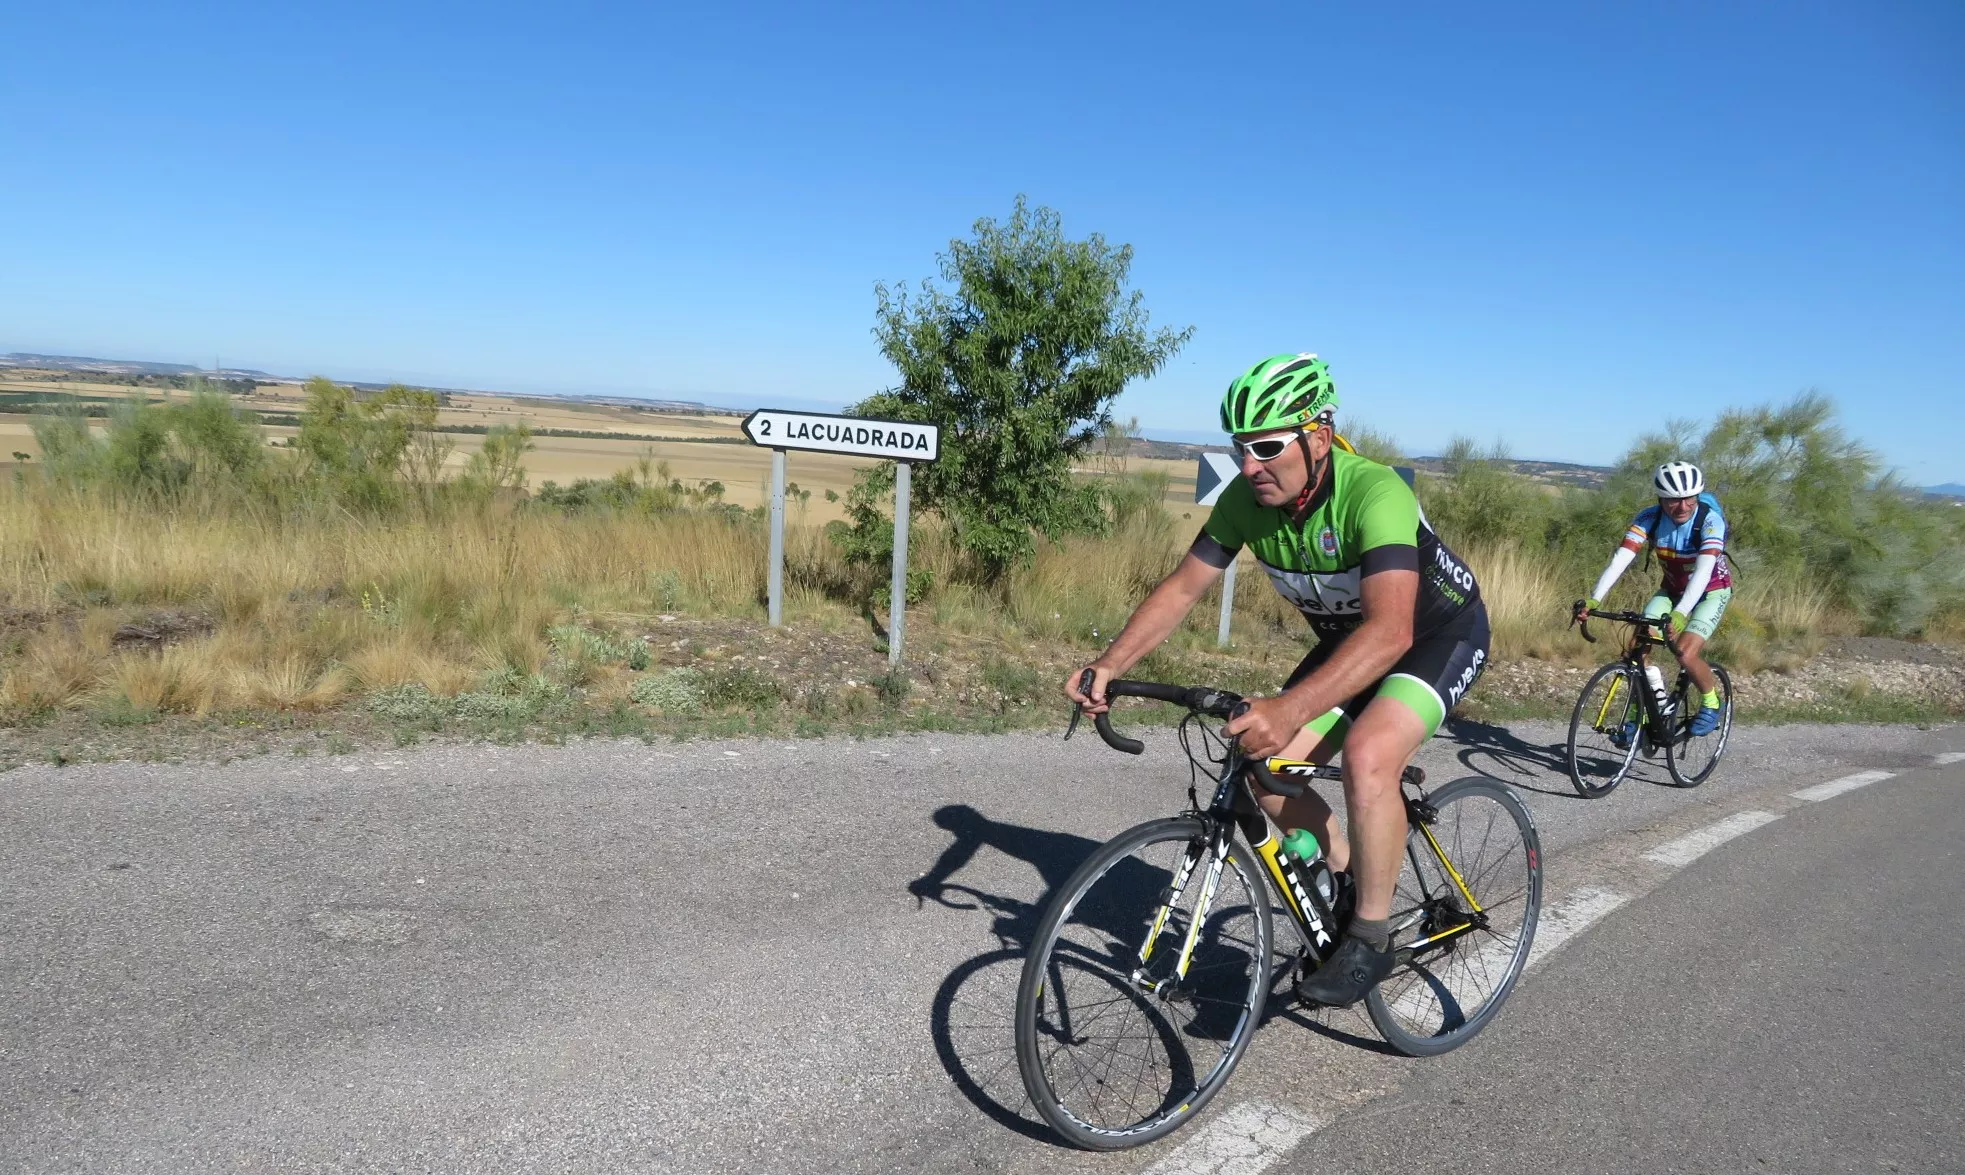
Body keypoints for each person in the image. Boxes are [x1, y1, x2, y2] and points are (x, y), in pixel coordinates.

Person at [1063, 353, 1488, 1008]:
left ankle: (1369, 938)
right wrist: (1112, 662)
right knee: (1263, 763)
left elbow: (1391, 632)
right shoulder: (1246, 502)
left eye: (1266, 446)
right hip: (1351, 644)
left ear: (1317, 437)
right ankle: (1344, 866)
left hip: (1432, 637)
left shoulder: (1373, 492)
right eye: (1240, 449)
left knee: (1368, 755)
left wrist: (1291, 708)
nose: (1250, 465)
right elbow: (1182, 587)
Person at [1573, 460, 1731, 740]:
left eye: (1688, 499)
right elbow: (1621, 559)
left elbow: (1704, 570)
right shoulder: (1650, 518)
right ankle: (1642, 714)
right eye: (1672, 500)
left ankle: (1711, 703)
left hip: (1711, 591)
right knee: (1636, 650)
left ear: (1697, 495)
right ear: (1660, 499)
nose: (1681, 507)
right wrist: (1594, 599)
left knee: (1684, 652)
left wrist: (1681, 614)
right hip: (1671, 591)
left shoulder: (1709, 521)